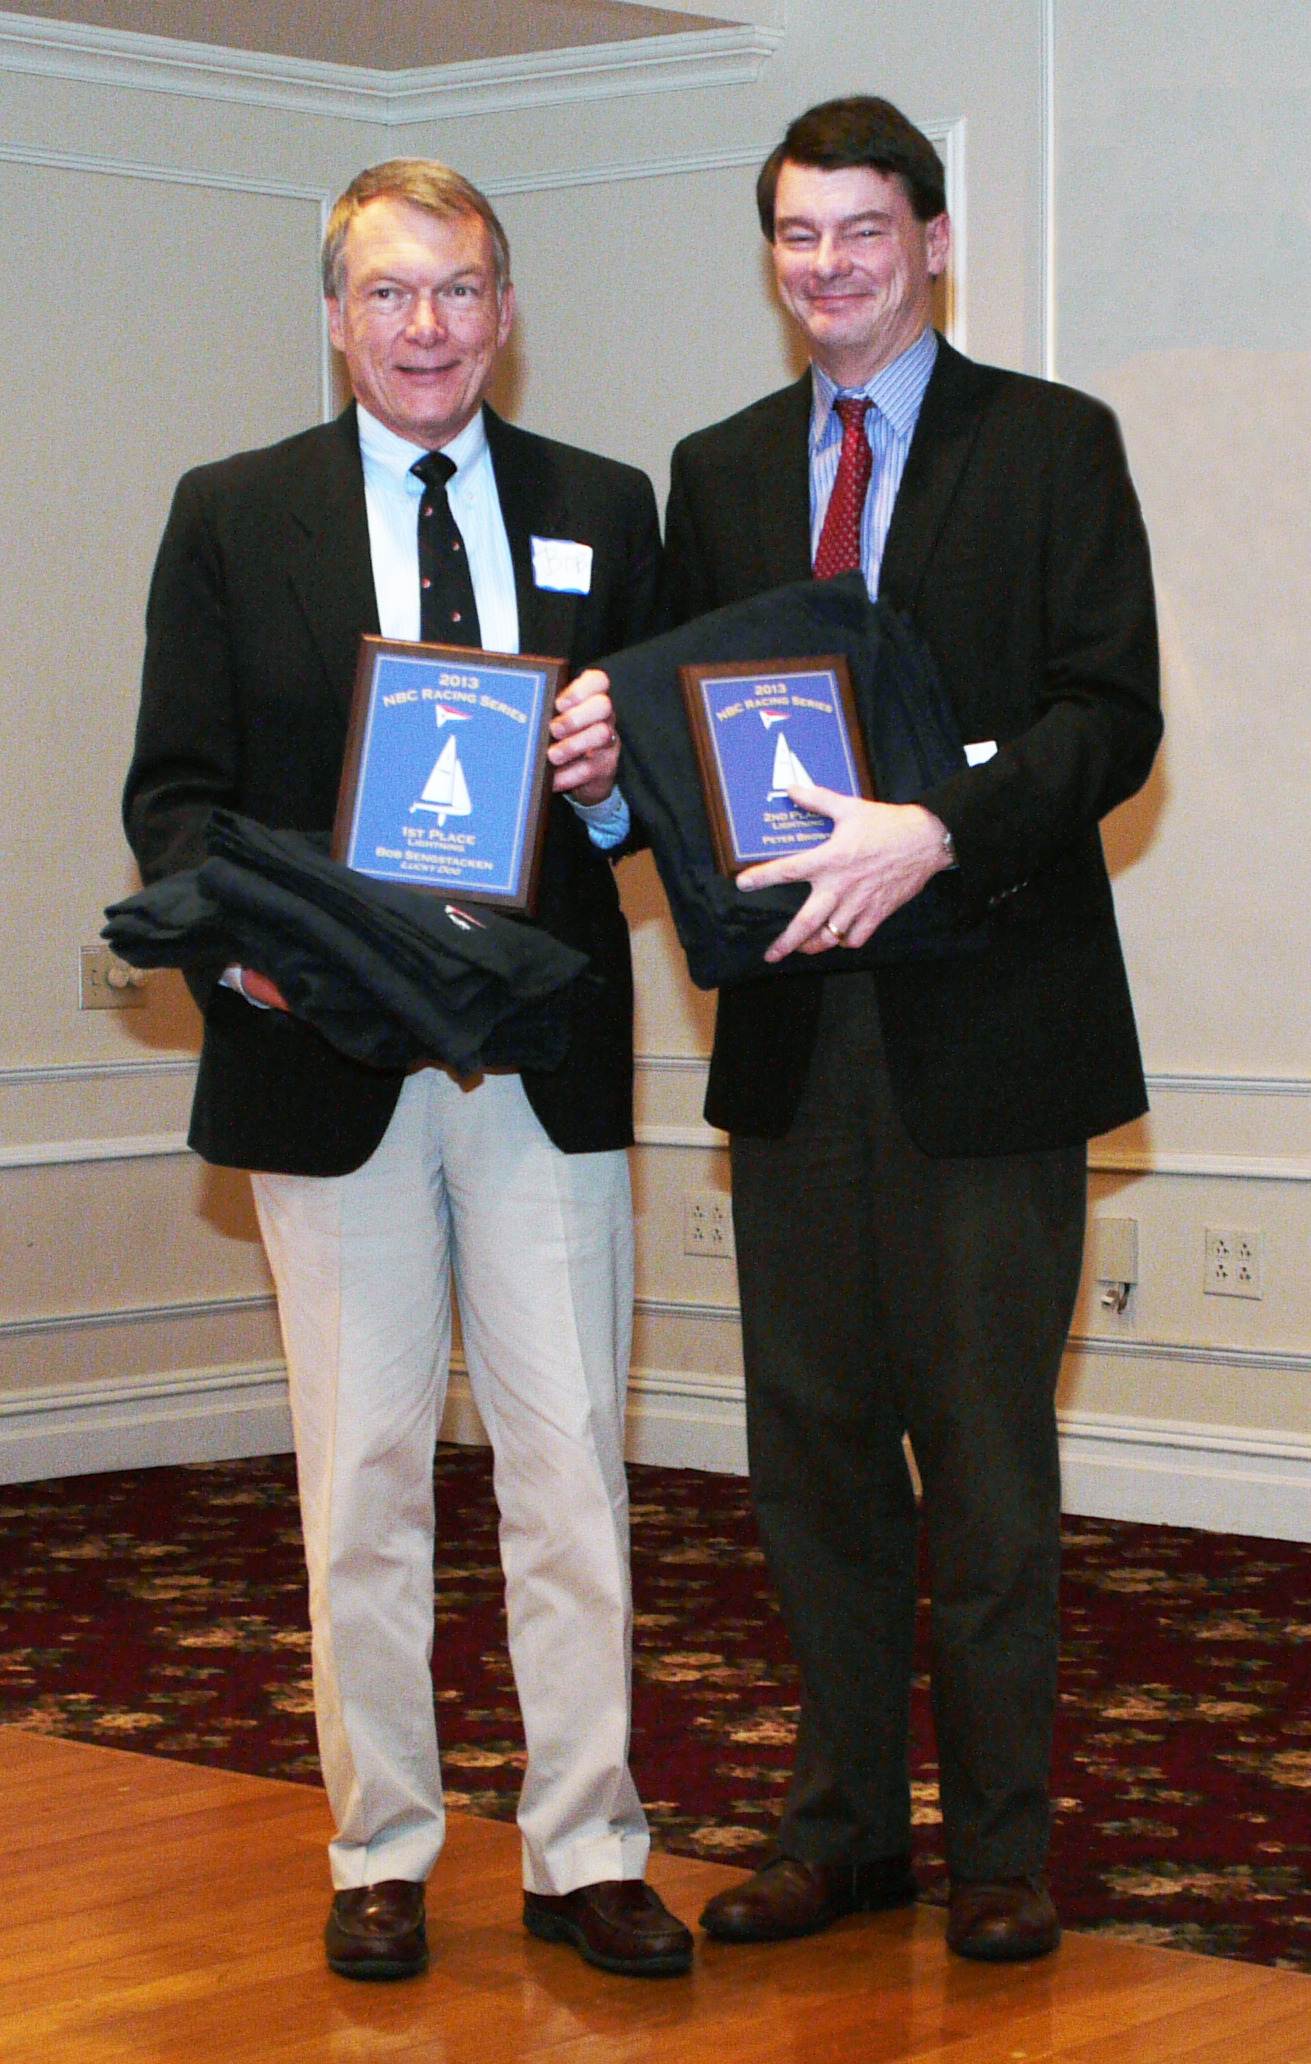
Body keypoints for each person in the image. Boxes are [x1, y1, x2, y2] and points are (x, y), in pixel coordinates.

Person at [124, 159, 693, 1982]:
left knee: (570, 1467)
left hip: (540, 1057)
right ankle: (379, 1846)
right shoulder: (233, 514)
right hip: (325, 1058)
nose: (425, 327)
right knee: (362, 1473)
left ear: (505, 312)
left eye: (456, 290)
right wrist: (247, 948)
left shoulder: (605, 506)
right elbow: (175, 793)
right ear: (335, 317)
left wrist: (611, 780)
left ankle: (587, 1847)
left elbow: (654, 803)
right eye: (388, 293)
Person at [660, 97, 1161, 1960]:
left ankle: (1003, 1854)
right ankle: (846, 1832)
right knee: (811, 1461)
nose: (831, 267)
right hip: (797, 1040)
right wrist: (610, 765)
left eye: (864, 231)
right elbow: (684, 721)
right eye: (799, 236)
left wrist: (939, 824)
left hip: (992, 1035)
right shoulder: (718, 470)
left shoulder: (1052, 442)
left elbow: (1111, 716)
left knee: (989, 1467)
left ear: (933, 243)